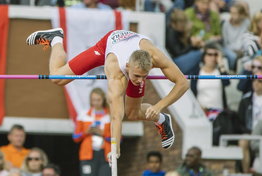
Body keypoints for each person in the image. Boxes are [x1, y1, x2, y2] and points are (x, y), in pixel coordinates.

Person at [26, 27, 189, 159]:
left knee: (133, 113)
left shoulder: (156, 56)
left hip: (134, 46)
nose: (140, 80)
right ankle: (55, 39)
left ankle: (162, 119)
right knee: (57, 78)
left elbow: (183, 83)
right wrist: (115, 148)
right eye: (137, 76)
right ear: (128, 66)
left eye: (144, 76)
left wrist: (160, 106)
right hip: (108, 45)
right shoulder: (115, 70)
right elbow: (116, 115)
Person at [73, 88, 111, 176]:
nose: (96, 102)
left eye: (98, 100)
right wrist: (86, 132)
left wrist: (103, 134)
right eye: (93, 100)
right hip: (87, 154)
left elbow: (118, 139)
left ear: (103, 100)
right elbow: (75, 137)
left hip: (105, 155)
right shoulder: (84, 115)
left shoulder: (110, 116)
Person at [190, 43, 230, 120]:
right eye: (209, 54)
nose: (213, 57)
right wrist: (199, 107)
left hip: (219, 113)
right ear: (204, 56)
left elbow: (227, 83)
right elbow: (192, 94)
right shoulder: (197, 72)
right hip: (202, 112)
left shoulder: (220, 71)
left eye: (215, 55)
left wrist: (221, 63)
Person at [166, 8, 202, 75]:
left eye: (184, 22)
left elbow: (186, 49)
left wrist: (196, 44)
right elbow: (178, 53)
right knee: (202, 53)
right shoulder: (171, 33)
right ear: (174, 23)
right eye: (181, 22)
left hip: (180, 60)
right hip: (175, 63)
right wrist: (192, 45)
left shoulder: (180, 32)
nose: (183, 25)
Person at [222, 2, 251, 71]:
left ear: (241, 15)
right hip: (229, 48)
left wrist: (241, 49)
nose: (232, 16)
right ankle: (231, 71)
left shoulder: (247, 23)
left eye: (235, 13)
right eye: (231, 13)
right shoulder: (226, 24)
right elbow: (225, 42)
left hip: (242, 49)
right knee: (232, 56)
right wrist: (235, 49)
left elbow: (246, 38)